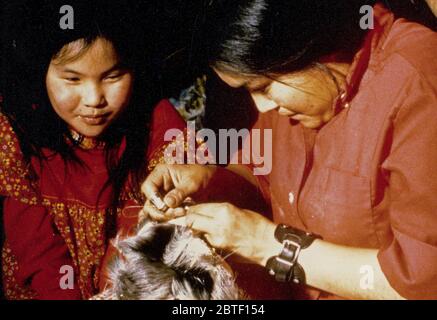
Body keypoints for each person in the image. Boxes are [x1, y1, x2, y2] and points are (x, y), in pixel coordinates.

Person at [142, 1, 437, 299]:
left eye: (263, 88)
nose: (262, 107)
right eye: (248, 90)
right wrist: (210, 180)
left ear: (310, 44)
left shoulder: (418, 83)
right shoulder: (287, 79)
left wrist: (267, 245)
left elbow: (420, 285)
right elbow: (265, 175)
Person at [0, 1, 185, 299]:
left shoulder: (158, 122)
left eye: (112, 77)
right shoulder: (17, 132)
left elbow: (186, 191)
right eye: (72, 79)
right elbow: (36, 247)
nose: (94, 99)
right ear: (40, 70)